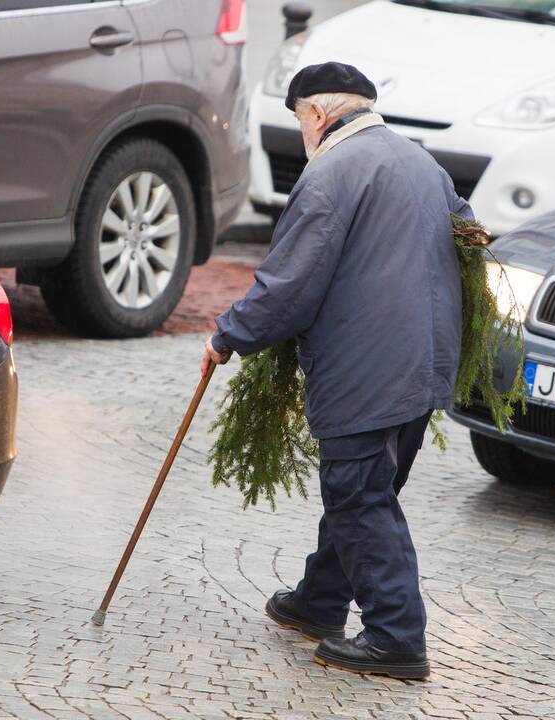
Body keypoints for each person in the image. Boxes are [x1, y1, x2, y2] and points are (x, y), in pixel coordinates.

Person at [201, 62, 471, 680]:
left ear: (317, 114)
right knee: (367, 488)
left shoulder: (331, 172)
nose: (302, 134)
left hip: (366, 365)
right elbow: (467, 233)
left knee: (358, 495)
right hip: (426, 362)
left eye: (298, 121)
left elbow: (291, 281)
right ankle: (319, 602)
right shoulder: (420, 162)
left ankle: (396, 638)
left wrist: (230, 335)